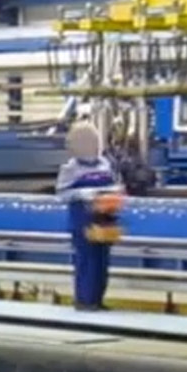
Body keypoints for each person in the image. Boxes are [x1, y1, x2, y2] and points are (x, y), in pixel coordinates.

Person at [57, 124, 123, 311]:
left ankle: (98, 299)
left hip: (104, 217)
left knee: (102, 261)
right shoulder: (70, 168)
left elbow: (115, 182)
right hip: (82, 219)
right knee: (87, 260)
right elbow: (62, 193)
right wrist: (84, 194)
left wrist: (114, 192)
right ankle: (84, 300)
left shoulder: (105, 164)